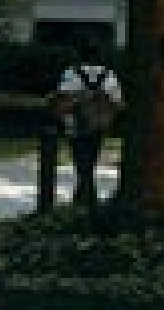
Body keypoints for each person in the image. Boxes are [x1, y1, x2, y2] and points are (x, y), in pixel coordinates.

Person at [51, 39, 122, 209]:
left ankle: (83, 198)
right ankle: (88, 197)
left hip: (76, 123)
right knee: (91, 159)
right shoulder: (109, 75)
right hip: (99, 123)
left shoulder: (71, 73)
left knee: (80, 160)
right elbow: (118, 102)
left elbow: (63, 99)